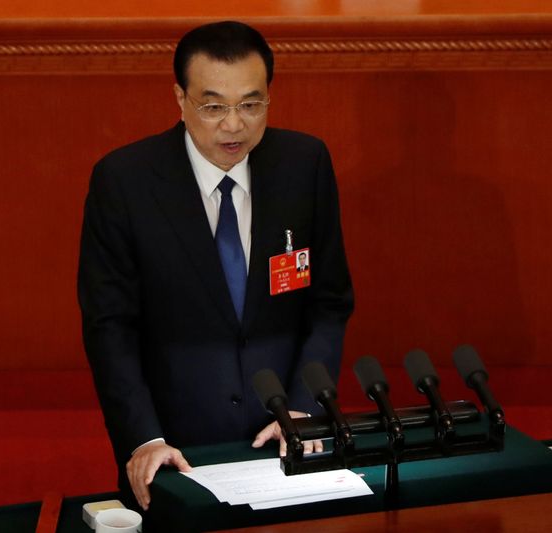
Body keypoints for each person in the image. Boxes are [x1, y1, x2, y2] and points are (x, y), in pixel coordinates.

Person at [78, 20, 353, 512]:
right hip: (177, 452)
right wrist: (143, 438)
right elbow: (110, 328)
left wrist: (305, 407)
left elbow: (328, 303)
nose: (234, 124)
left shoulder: (303, 164)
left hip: (288, 441)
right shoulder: (124, 182)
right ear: (179, 99)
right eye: (213, 106)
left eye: (251, 104)